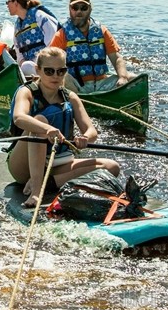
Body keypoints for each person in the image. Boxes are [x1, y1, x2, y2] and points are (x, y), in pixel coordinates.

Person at [7, 47, 120, 208]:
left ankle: (48, 183)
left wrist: (85, 138)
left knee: (111, 167)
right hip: (22, 164)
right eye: (49, 71)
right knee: (39, 120)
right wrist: (46, 129)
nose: (55, 76)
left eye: (61, 71)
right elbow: (19, 117)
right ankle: (36, 192)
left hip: (57, 163)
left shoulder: (70, 97)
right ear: (38, 70)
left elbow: (91, 130)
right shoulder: (27, 92)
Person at [50, 0, 136, 93]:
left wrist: (122, 77)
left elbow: (116, 58)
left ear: (90, 9)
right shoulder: (61, 34)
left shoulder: (101, 31)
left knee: (134, 78)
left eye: (84, 8)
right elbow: (49, 61)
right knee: (63, 76)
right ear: (70, 9)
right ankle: (78, 103)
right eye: (75, 8)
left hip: (102, 83)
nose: (79, 12)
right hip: (75, 86)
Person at [6, 0, 60, 75]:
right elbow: (18, 49)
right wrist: (22, 62)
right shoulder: (17, 25)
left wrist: (41, 63)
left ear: (16, 3)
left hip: (48, 64)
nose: (7, 5)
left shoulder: (40, 16)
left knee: (26, 66)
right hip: (29, 67)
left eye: (8, 2)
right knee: (24, 66)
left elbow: (53, 41)